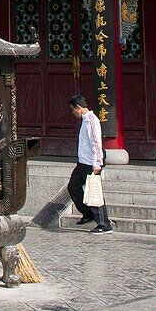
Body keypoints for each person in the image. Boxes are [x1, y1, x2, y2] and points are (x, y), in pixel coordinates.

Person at [68, 94, 113, 234]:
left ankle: (104, 224)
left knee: (94, 193)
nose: (73, 113)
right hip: (82, 163)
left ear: (79, 108)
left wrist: (97, 163)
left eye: (73, 110)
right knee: (73, 187)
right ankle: (88, 214)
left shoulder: (92, 120)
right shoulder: (85, 121)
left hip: (92, 164)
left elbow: (96, 143)